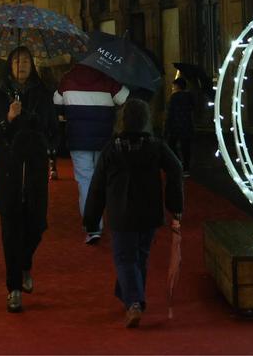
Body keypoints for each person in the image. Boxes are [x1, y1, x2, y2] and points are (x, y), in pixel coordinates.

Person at [83, 98, 184, 328]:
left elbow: (97, 186)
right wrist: (174, 204)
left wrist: (91, 218)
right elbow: (176, 168)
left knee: (125, 258)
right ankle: (131, 296)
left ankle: (133, 303)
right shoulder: (155, 145)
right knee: (139, 256)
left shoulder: (112, 149)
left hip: (121, 211)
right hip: (149, 212)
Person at [0, 46, 56, 313]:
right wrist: (8, 118)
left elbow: (53, 130)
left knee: (37, 224)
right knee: (10, 230)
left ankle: (25, 262)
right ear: (9, 65)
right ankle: (13, 287)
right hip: (8, 168)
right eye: (16, 61)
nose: (21, 65)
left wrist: (38, 127)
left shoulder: (42, 94)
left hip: (35, 166)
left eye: (26, 60)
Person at [53, 62, 129, 244]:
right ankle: (116, 220)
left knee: (85, 181)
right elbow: (126, 98)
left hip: (78, 139)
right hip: (105, 141)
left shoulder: (67, 79)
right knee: (107, 180)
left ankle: (93, 227)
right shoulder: (108, 79)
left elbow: (56, 102)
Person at [165, 76, 196, 176]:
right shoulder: (190, 96)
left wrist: (167, 126)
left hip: (176, 125)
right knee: (186, 147)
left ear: (177, 86)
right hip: (187, 125)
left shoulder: (174, 97)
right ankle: (186, 168)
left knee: (171, 145)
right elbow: (193, 108)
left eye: (174, 86)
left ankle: (178, 163)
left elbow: (170, 112)